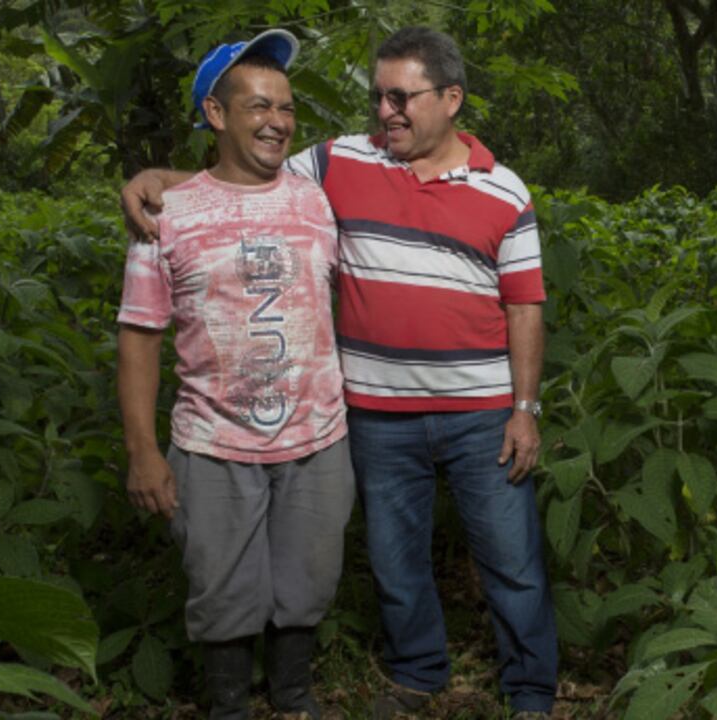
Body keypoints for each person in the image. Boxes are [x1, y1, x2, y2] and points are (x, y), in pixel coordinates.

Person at [122, 26, 558, 719]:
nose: (386, 112)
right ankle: (418, 674)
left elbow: (526, 305)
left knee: (511, 560)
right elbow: (240, 175)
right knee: (395, 559)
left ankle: (532, 693)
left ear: (451, 99)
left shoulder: (504, 190)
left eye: (402, 97)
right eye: (378, 97)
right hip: (377, 415)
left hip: (479, 414)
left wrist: (525, 410)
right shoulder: (337, 163)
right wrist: (157, 183)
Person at [116, 29, 353, 720]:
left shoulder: (317, 195)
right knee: (220, 592)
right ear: (216, 115)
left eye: (284, 106)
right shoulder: (166, 218)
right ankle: (227, 706)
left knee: (309, 582)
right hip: (213, 444)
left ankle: (295, 698)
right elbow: (138, 337)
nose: (276, 121)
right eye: (256, 106)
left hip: (318, 437)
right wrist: (142, 452)